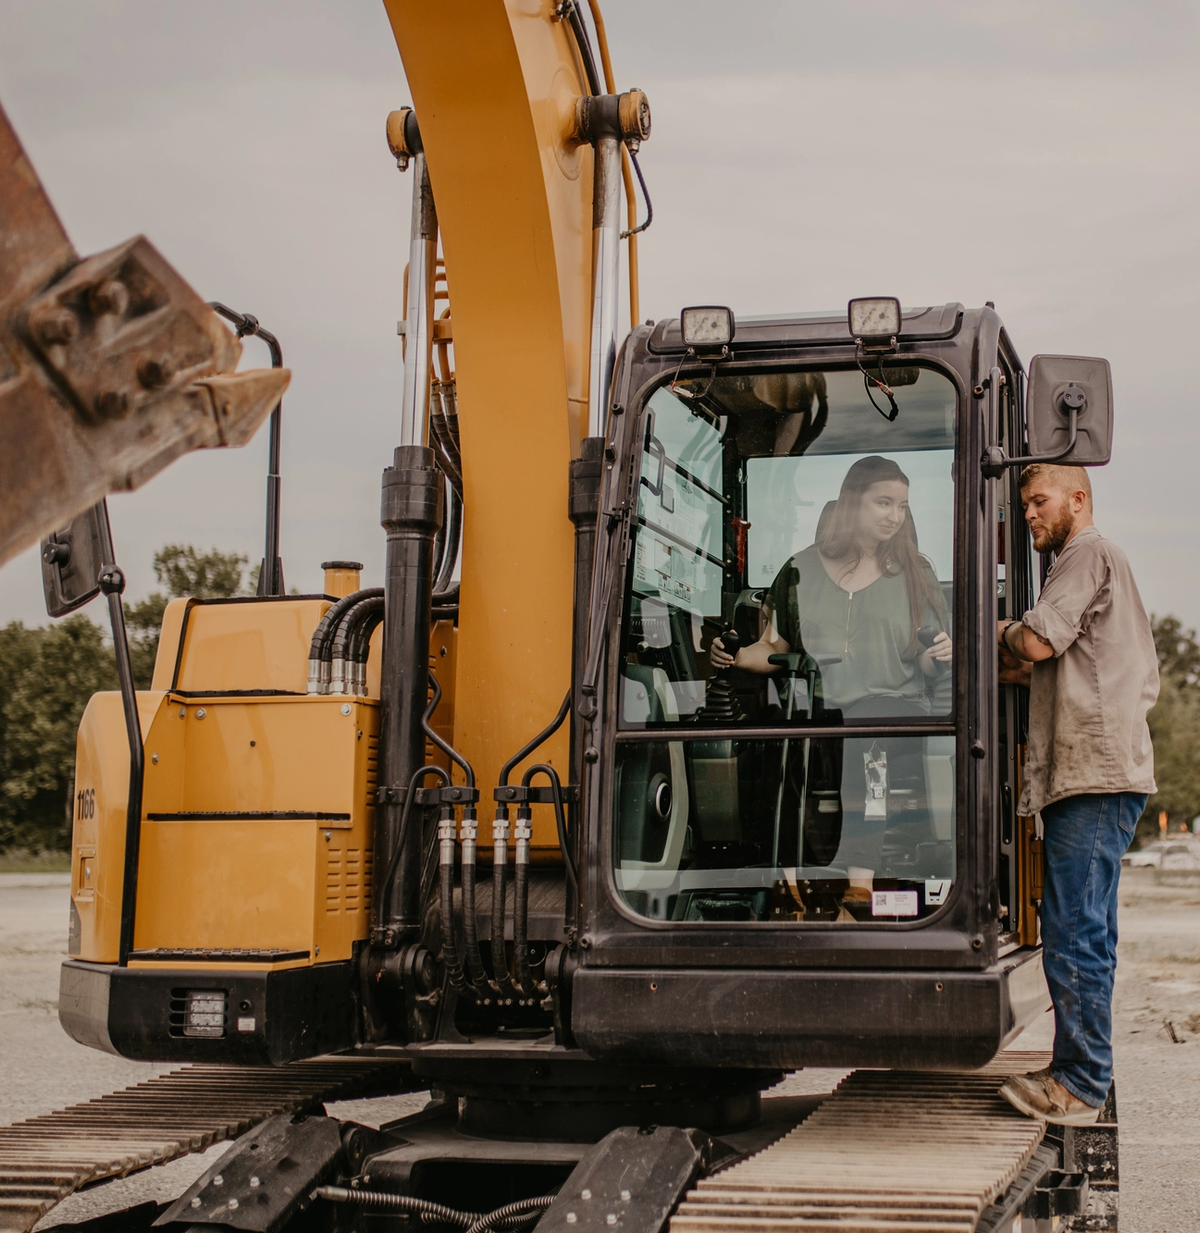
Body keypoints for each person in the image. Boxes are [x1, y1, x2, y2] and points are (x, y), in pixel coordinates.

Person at [996, 464, 1158, 1128]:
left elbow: (1035, 639)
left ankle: (1080, 1085)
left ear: (1077, 500)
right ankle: (1081, 1068)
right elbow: (1042, 663)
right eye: (1026, 503)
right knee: (1088, 928)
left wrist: (992, 626)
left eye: (1039, 501)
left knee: (1074, 929)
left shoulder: (1084, 553)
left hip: (1094, 773)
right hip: (1095, 772)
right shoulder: (1088, 562)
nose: (1030, 513)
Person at [710, 455, 951, 896]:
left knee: (864, 742)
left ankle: (859, 884)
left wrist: (940, 653)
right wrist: (737, 656)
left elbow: (924, 663)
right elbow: (776, 649)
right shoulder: (799, 570)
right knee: (774, 744)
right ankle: (786, 880)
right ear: (852, 501)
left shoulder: (917, 573)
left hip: (895, 706)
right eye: (884, 503)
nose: (894, 516)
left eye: (902, 507)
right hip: (823, 708)